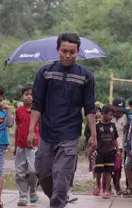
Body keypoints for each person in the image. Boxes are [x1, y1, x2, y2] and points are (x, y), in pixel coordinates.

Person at [28, 32, 97, 208]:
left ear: (78, 52)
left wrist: (93, 134)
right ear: (58, 50)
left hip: (70, 133)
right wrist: (31, 130)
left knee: (61, 176)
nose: (67, 55)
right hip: (47, 132)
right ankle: (59, 199)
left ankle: (57, 202)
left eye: (71, 52)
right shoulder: (45, 73)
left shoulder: (86, 76)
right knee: (43, 175)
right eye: (64, 51)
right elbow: (37, 104)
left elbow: (89, 108)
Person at [14, 85, 39, 206]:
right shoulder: (19, 110)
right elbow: (17, 128)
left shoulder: (38, 110)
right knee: (20, 172)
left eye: (31, 94)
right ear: (22, 96)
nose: (29, 96)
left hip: (34, 146)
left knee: (33, 171)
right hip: (20, 146)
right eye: (26, 94)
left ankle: (33, 189)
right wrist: (15, 146)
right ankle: (23, 195)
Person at [92, 104, 119, 199]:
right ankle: (97, 186)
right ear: (104, 113)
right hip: (100, 152)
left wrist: (118, 150)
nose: (112, 117)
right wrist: (93, 150)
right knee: (98, 171)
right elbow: (94, 139)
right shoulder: (97, 126)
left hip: (110, 152)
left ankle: (107, 191)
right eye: (110, 115)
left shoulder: (112, 125)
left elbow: (115, 139)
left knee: (108, 172)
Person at [111, 97, 128, 195]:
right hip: (108, 146)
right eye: (117, 111)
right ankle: (107, 187)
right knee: (108, 167)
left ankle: (117, 185)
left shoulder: (124, 118)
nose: (119, 113)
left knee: (117, 167)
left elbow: (124, 131)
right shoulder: (110, 117)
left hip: (120, 147)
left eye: (121, 111)